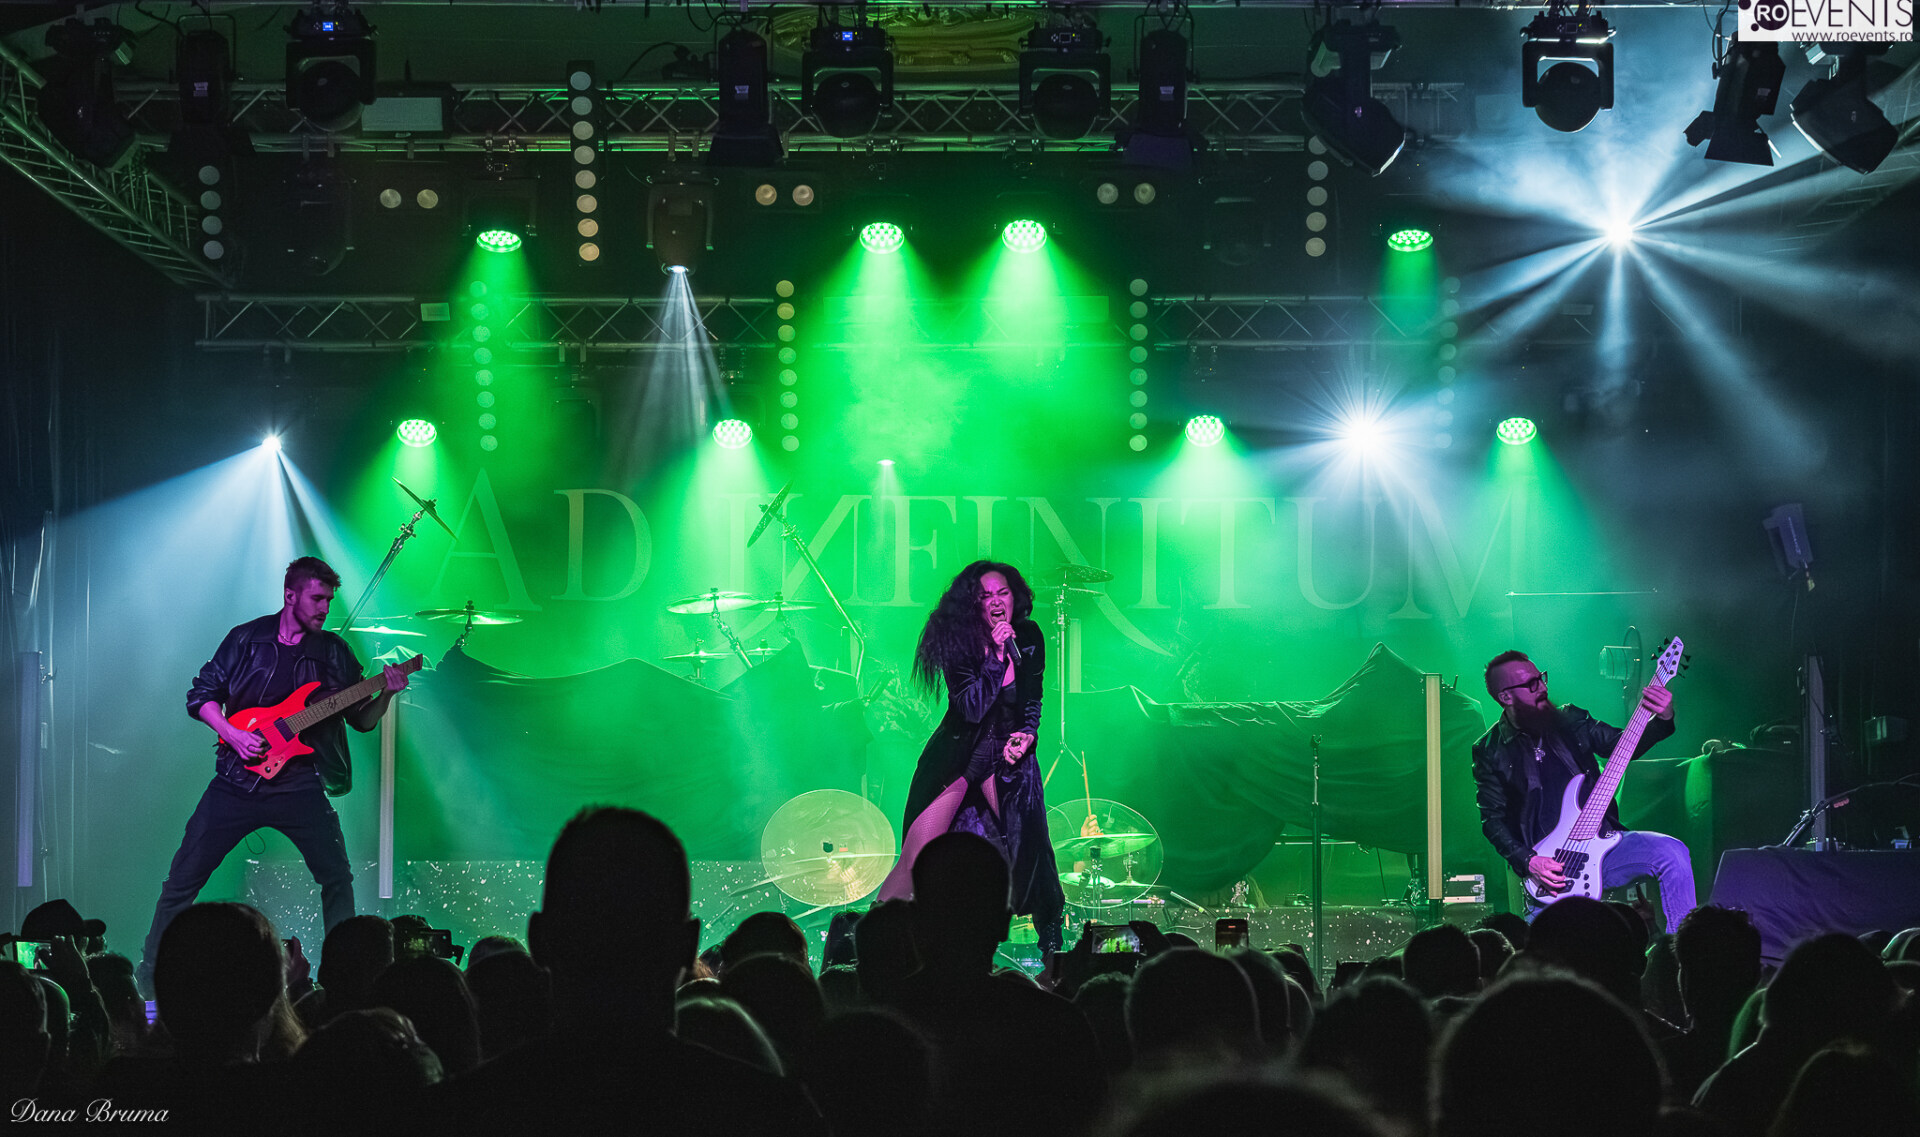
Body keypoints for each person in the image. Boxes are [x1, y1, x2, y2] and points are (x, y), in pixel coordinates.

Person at [137, 557, 409, 994]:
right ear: (290, 595)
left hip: (298, 783)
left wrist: (387, 695)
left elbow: (361, 720)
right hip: (235, 781)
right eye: (317, 599)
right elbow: (201, 695)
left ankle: (345, 980)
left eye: (329, 600)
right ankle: (150, 980)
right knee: (181, 881)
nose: (325, 608)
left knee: (336, 878)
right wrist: (233, 734)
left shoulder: (333, 652)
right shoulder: (246, 639)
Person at [877, 560, 1065, 957]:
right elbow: (972, 708)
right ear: (973, 603)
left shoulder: (1029, 636)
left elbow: (1032, 699)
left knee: (1030, 850)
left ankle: (1051, 947)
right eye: (986, 596)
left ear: (1015, 597)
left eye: (1003, 593)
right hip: (960, 756)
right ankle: (869, 945)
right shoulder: (958, 641)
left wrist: (1028, 734)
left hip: (1007, 760)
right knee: (917, 855)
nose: (996, 602)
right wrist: (996, 655)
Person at [1472, 650, 1694, 933]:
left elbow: (1620, 745)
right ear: (1506, 697)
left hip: (1603, 844)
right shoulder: (1489, 750)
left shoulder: (1570, 719)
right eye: (1531, 684)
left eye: (1541, 678)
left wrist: (1662, 719)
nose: (1542, 687)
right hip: (1550, 868)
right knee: (1547, 952)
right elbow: (1492, 819)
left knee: (1672, 852)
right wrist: (1529, 861)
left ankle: (1680, 948)